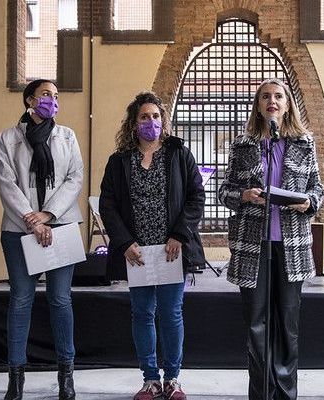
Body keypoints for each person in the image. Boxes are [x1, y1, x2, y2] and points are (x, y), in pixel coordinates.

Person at [218, 78, 324, 400]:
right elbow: (224, 192)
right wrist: (244, 195)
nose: (272, 101)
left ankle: (285, 393)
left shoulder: (304, 143)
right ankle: (261, 393)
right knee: (256, 325)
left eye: (278, 96)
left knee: (288, 326)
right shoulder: (243, 144)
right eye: (265, 96)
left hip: (291, 246)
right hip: (254, 246)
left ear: (288, 103)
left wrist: (309, 202)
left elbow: (318, 189)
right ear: (258, 105)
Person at [99, 91, 205, 400]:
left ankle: (172, 379)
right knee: (142, 314)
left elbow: (195, 197)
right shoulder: (119, 161)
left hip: (170, 250)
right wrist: (124, 242)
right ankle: (150, 380)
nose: (151, 121)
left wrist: (179, 235)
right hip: (138, 253)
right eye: (144, 117)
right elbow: (108, 205)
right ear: (133, 123)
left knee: (171, 314)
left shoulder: (179, 155)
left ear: (164, 121)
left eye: (156, 116)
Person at [0, 79, 84, 400]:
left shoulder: (67, 135)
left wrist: (47, 215)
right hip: (19, 229)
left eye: (56, 95)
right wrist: (31, 220)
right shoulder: (8, 138)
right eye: (46, 94)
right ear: (29, 100)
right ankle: (15, 380)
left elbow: (75, 178)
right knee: (20, 301)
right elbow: (6, 183)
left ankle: (66, 377)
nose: (52, 100)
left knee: (61, 300)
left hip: (59, 226)